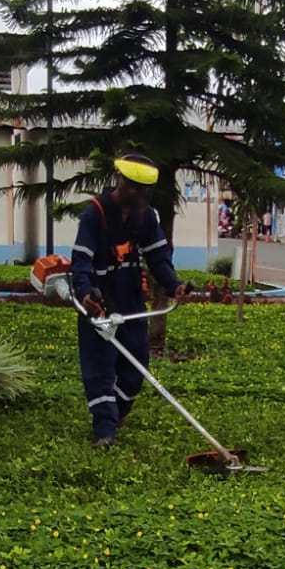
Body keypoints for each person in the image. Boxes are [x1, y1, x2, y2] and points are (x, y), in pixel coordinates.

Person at [70, 152, 189, 449]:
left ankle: (117, 414)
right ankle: (104, 430)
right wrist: (85, 293)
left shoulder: (145, 216)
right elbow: (81, 261)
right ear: (119, 179)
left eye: (141, 189)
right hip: (100, 302)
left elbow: (158, 257)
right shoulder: (95, 214)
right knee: (100, 368)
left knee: (136, 367)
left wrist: (174, 285)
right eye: (131, 186)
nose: (135, 193)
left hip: (131, 301)